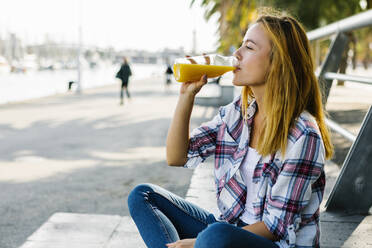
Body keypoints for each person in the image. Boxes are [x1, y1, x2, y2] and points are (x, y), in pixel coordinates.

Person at [128, 7, 333, 248]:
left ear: (277, 62)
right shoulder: (238, 113)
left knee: (214, 236)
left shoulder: (303, 135)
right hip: (230, 231)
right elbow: (177, 156)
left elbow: (275, 226)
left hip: (275, 243)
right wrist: (186, 96)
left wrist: (195, 243)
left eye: (249, 47)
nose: (236, 53)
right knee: (142, 196)